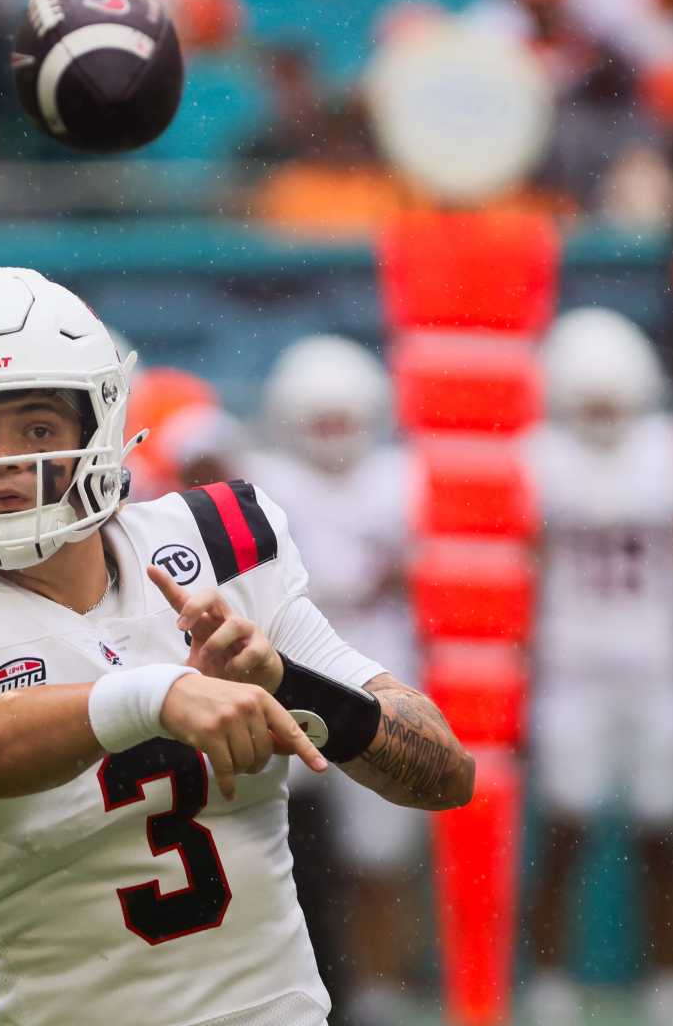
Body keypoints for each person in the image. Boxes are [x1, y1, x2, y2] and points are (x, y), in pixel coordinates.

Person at [0, 267, 475, 1026]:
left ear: (97, 426)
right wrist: (155, 696)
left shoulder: (216, 543)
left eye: (35, 428)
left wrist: (287, 681)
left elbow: (442, 775)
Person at [521, 309, 673, 1026]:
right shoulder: (537, 454)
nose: (602, 409)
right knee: (563, 827)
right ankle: (548, 978)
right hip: (570, 665)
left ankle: (672, 976)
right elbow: (526, 572)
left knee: (665, 829)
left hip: (656, 665)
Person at [248, 334, 421, 1025]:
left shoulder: (402, 479)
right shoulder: (261, 483)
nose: (331, 437)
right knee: (282, 851)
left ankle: (377, 989)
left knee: (378, 854)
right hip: (289, 673)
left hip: (378, 667)